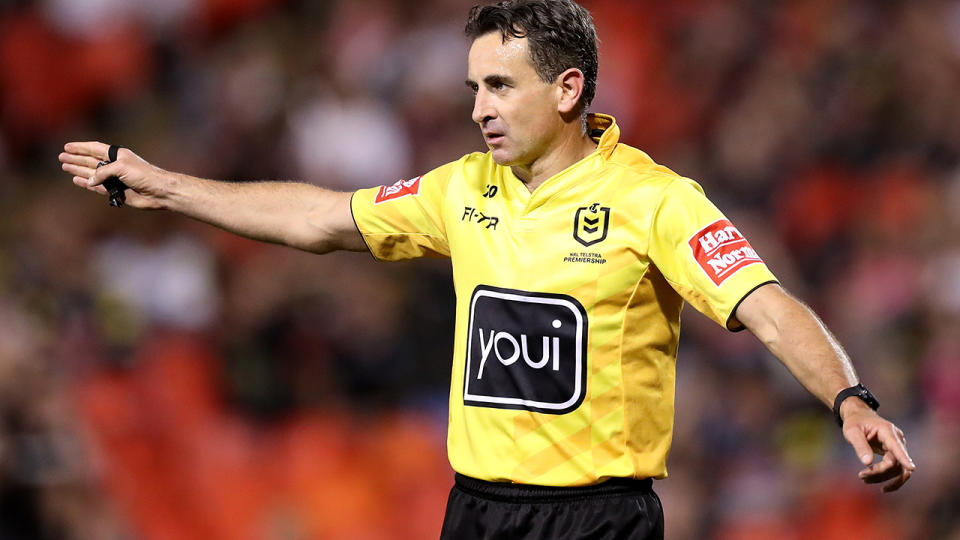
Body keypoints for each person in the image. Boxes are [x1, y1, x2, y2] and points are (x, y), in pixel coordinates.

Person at [59, 1, 915, 538]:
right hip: (476, 510)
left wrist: (849, 401)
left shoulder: (657, 200)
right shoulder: (462, 188)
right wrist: (166, 187)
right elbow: (321, 219)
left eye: (500, 87)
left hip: (599, 519)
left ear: (569, 89)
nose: (477, 110)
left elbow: (765, 305)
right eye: (474, 86)